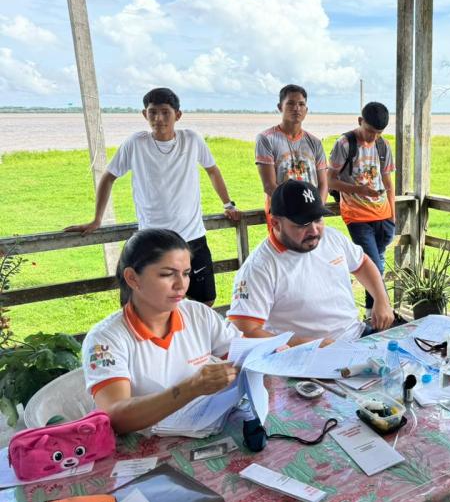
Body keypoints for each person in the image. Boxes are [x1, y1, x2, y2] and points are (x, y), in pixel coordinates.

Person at [65, 87, 240, 306]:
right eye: (152, 112)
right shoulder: (136, 143)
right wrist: (97, 219)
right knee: (149, 302)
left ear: (178, 115)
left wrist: (228, 204)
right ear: (144, 114)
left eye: (165, 112)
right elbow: (108, 177)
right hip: (152, 239)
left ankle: (188, 339)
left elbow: (212, 170)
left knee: (205, 301)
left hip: (192, 236)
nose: (158, 118)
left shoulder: (191, 140)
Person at [82, 229, 241, 435]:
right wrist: (191, 387)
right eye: (167, 274)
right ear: (132, 278)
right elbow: (115, 417)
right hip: (142, 451)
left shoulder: (198, 314)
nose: (181, 285)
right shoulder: (105, 340)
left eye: (185, 273)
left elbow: (238, 354)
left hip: (207, 431)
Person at [227, 179, 394, 345]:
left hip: (357, 335)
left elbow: (362, 263)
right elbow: (244, 330)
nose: (314, 231)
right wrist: (303, 344)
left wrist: (382, 299)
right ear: (275, 223)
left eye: (318, 219)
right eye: (302, 224)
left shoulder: (331, 237)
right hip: (302, 359)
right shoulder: (259, 267)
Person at [328, 102, 395, 320]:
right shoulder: (345, 144)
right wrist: (359, 189)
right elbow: (330, 180)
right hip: (357, 215)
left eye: (378, 133)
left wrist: (393, 215)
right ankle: (377, 314)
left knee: (380, 265)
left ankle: (374, 313)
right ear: (359, 121)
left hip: (383, 215)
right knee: (373, 266)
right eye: (369, 131)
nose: (372, 137)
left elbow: (388, 183)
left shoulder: (383, 146)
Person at [255, 84, 328, 214]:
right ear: (279, 107)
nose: (296, 108)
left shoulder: (315, 142)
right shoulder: (266, 139)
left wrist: (318, 208)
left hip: (311, 210)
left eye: (301, 104)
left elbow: (323, 183)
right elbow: (269, 186)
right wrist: (296, 210)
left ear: (306, 109)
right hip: (282, 212)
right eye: (290, 104)